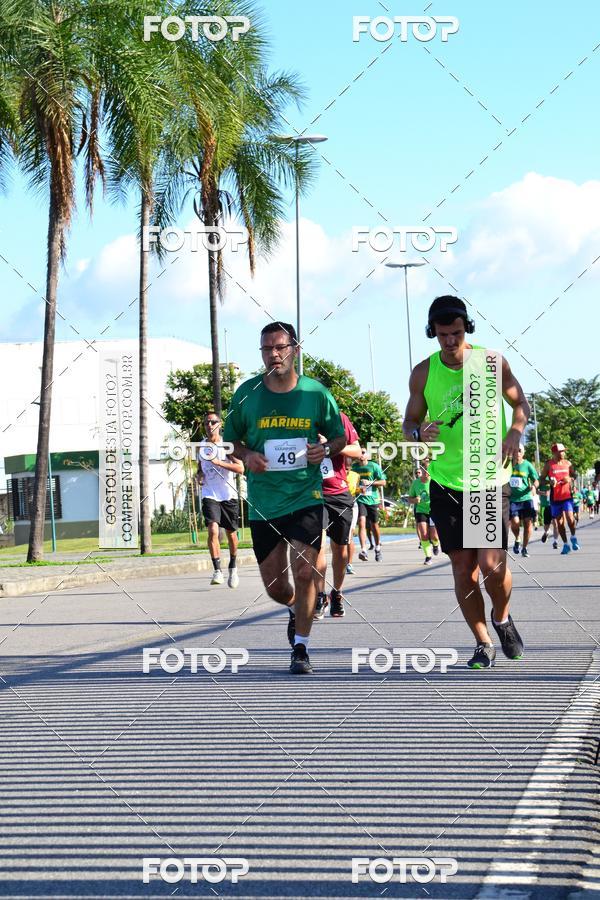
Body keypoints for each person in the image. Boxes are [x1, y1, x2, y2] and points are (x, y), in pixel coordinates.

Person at [403, 295, 529, 670]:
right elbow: (409, 422)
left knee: (491, 565)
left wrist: (516, 432)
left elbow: (520, 403)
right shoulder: (423, 372)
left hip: (488, 479)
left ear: (466, 329)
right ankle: (483, 641)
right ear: (433, 333)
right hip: (445, 482)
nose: (451, 342)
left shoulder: (491, 363)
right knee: (463, 569)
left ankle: (502, 618)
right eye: (443, 335)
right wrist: (417, 434)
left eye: (456, 333)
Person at [223, 321, 346, 674]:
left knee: (305, 571)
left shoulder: (315, 393)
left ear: (294, 349)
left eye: (280, 347)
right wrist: (247, 456)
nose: (273, 354)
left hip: (305, 496)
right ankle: (295, 608)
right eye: (266, 349)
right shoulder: (246, 394)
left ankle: (302, 648)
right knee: (277, 587)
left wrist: (323, 449)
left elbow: (338, 437)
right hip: (264, 502)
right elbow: (231, 442)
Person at [314, 411, 361, 619]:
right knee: (316, 545)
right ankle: (320, 594)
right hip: (312, 493)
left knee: (340, 550)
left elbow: (357, 451)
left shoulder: (339, 417)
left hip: (339, 492)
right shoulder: (297, 416)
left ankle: (337, 592)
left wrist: (330, 446)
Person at [197, 411, 244, 587]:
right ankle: (217, 570)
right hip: (210, 493)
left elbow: (240, 468)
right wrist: (199, 476)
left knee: (231, 534)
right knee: (213, 530)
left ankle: (233, 566)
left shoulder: (227, 446)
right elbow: (200, 467)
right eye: (206, 423)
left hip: (228, 495)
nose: (209, 425)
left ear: (219, 424)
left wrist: (219, 463)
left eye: (213, 422)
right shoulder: (201, 445)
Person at [540, 443, 580, 554]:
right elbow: (541, 479)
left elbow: (574, 475)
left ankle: (573, 537)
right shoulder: (548, 465)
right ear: (554, 453)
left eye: (564, 451)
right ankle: (566, 544)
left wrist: (570, 478)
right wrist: (549, 482)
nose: (563, 453)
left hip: (567, 496)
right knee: (560, 523)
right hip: (555, 499)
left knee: (570, 518)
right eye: (561, 451)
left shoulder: (568, 463)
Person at [352, 449, 387, 561]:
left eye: (363, 452)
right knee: (362, 523)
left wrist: (370, 483)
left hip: (372, 500)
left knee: (374, 525)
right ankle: (363, 550)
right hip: (360, 499)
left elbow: (383, 482)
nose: (361, 454)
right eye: (359, 452)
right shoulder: (354, 468)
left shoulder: (374, 466)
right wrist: (357, 489)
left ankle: (377, 548)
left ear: (367, 455)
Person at [408, 458, 440, 565]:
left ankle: (435, 544)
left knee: (434, 536)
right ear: (421, 470)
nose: (427, 472)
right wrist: (414, 500)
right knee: (424, 534)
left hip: (434, 510)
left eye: (429, 470)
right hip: (421, 510)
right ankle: (428, 557)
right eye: (425, 470)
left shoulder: (435, 481)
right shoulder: (416, 483)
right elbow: (409, 498)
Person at [509, 445, 539, 558]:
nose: (517, 453)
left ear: (523, 452)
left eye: (520, 451)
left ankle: (525, 548)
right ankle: (517, 538)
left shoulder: (527, 465)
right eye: (515, 450)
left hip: (526, 498)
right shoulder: (508, 465)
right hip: (513, 499)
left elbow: (536, 480)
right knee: (515, 522)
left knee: (527, 523)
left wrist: (534, 487)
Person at [538, 475, 559, 548]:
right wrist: (544, 493)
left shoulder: (556, 476)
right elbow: (536, 490)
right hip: (546, 505)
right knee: (547, 525)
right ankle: (546, 532)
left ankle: (555, 542)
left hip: (554, 504)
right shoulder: (542, 478)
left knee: (555, 523)